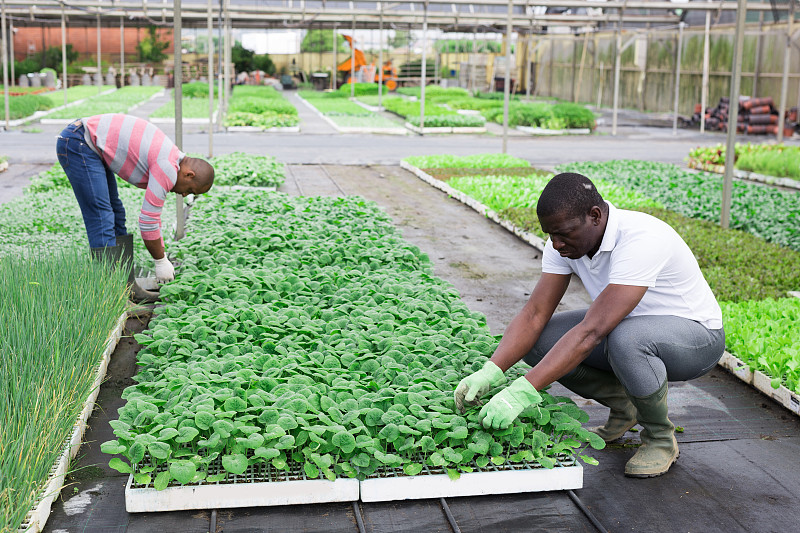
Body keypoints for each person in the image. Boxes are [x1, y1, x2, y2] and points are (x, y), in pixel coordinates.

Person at [454, 172, 725, 478]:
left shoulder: (642, 239)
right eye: (550, 235)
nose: (556, 244)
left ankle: (660, 438)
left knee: (626, 339)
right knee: (541, 340)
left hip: (697, 339)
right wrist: (492, 370)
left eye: (563, 234)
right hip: (629, 329)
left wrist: (521, 392)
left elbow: (592, 332)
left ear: (595, 216)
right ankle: (626, 406)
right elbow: (534, 314)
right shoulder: (566, 241)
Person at [56, 113, 214, 302]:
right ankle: (113, 299)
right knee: (101, 217)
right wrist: (161, 260)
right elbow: (148, 222)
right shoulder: (167, 167)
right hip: (79, 141)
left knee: (116, 213)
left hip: (88, 142)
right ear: (189, 174)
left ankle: (127, 288)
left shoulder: (171, 159)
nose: (184, 195)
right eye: (189, 190)